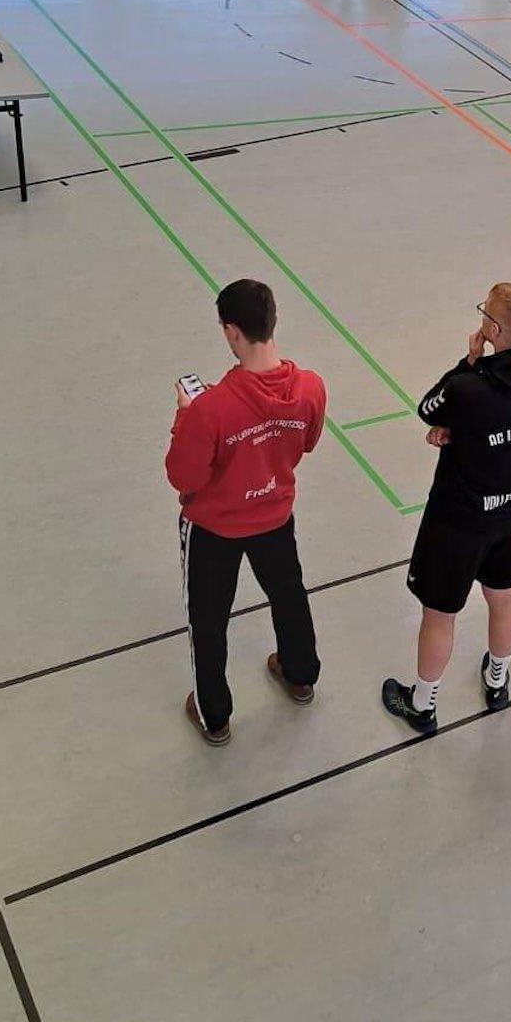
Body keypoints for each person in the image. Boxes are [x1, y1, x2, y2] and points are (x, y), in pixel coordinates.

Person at [383, 284, 511, 731]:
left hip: (459, 519)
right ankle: (498, 680)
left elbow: (429, 407)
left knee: (440, 613)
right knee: (504, 598)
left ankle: (422, 704)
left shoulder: (469, 387)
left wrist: (468, 365)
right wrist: (458, 430)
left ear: (492, 328)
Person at [161, 280, 326, 746]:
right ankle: (299, 674)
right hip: (275, 514)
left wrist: (184, 416)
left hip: (215, 529)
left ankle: (214, 715)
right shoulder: (311, 387)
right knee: (289, 593)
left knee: (208, 619)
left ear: (232, 332)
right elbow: (307, 442)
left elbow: (184, 477)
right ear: (273, 321)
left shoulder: (208, 409)